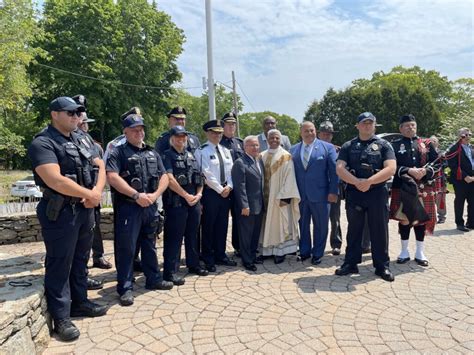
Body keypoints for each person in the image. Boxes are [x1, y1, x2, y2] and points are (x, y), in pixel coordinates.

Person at [28, 96, 108, 341]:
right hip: (61, 211)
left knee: (81, 259)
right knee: (60, 262)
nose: (76, 117)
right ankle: (61, 317)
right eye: (70, 113)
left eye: (78, 114)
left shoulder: (82, 138)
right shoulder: (43, 142)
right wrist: (90, 194)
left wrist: (95, 193)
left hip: (84, 209)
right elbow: (54, 179)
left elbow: (100, 166)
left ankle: (80, 302)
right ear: (55, 114)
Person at [106, 113, 173, 307]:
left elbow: (164, 177)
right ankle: (125, 288)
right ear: (125, 132)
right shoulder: (118, 153)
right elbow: (112, 177)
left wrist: (155, 195)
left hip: (150, 206)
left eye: (141, 129)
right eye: (134, 130)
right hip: (129, 207)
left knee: (150, 244)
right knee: (126, 248)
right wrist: (136, 195)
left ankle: (153, 279)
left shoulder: (152, 152)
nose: (139, 132)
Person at [335, 112, 396, 282]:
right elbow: (340, 168)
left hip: (377, 192)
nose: (367, 126)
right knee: (354, 229)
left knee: (379, 230)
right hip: (355, 193)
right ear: (358, 126)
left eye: (370, 123)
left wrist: (369, 182)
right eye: (364, 123)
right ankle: (350, 263)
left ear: (375, 125)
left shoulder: (384, 145)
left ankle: (382, 266)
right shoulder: (348, 146)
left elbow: (391, 168)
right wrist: (356, 182)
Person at [389, 114, 438, 267]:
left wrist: (426, 171)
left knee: (420, 220)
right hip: (403, 187)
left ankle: (420, 252)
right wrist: (408, 170)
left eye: (413, 125)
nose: (411, 128)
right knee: (404, 219)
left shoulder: (427, 144)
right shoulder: (394, 145)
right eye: (407, 125)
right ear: (400, 128)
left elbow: (437, 164)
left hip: (423, 187)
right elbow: (390, 166)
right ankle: (404, 251)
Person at [162, 126, 209, 284]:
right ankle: (171, 271)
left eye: (184, 136)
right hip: (176, 202)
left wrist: (199, 194)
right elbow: (169, 179)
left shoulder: (191, 155)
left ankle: (193, 264)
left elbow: (199, 177)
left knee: (193, 235)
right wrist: (186, 195)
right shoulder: (167, 155)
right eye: (178, 137)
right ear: (172, 138)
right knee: (174, 238)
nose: (181, 139)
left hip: (193, 201)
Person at [73, 95, 112, 271]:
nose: (84, 124)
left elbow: (101, 170)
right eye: (82, 122)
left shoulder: (95, 146)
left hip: (94, 194)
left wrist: (97, 191)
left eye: (85, 122)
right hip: (79, 197)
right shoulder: (69, 142)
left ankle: (99, 256)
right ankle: (83, 269)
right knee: (80, 235)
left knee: (94, 228)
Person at [291, 122, 338, 265]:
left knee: (321, 225)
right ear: (301, 132)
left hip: (321, 195)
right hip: (300, 195)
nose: (309, 133)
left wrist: (333, 191)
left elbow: (334, 172)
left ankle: (318, 253)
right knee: (303, 224)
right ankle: (305, 251)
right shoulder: (293, 150)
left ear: (315, 131)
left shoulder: (327, 148)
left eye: (311, 130)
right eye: (306, 131)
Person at [194, 120, 237, 272]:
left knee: (222, 224)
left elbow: (232, 171)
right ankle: (208, 257)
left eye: (219, 132)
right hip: (211, 193)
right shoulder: (201, 151)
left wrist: (230, 186)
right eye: (214, 132)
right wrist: (220, 189)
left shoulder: (226, 151)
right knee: (208, 226)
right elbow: (205, 173)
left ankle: (220, 254)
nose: (217, 135)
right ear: (207, 133)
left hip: (226, 192)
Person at [260, 129, 300, 264]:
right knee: (265, 224)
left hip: (279, 198)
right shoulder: (261, 155)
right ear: (267, 138)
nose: (274, 140)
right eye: (271, 138)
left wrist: (285, 197)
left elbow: (290, 177)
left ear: (281, 139)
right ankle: (266, 250)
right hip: (264, 199)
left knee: (279, 224)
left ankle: (279, 251)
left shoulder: (286, 156)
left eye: (277, 138)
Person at [231, 135, 265, 271]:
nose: (255, 147)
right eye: (252, 145)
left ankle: (252, 255)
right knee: (246, 235)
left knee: (255, 234)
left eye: (257, 145)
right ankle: (247, 260)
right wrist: (244, 205)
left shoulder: (259, 161)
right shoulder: (240, 163)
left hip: (259, 205)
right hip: (247, 207)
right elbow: (240, 187)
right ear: (245, 147)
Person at [220, 112, 245, 257]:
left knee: (238, 218)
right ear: (223, 125)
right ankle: (220, 251)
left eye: (233, 124)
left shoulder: (239, 143)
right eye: (229, 124)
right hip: (223, 188)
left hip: (238, 188)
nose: (231, 126)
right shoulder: (219, 142)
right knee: (222, 221)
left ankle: (238, 247)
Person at [317, 120, 343, 256]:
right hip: (317, 188)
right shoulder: (312, 148)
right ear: (319, 134)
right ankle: (317, 244)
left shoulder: (338, 150)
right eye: (324, 133)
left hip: (333, 187)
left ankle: (336, 244)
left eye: (329, 134)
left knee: (335, 217)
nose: (327, 136)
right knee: (318, 219)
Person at [446, 127, 474, 231]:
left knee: (472, 201)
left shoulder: (472, 148)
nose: (467, 137)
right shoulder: (454, 148)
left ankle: (471, 223)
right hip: (460, 180)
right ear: (459, 136)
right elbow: (452, 165)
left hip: (472, 179)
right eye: (464, 135)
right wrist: (465, 176)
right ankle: (460, 223)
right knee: (460, 201)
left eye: (469, 135)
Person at [430, 135, 448, 224]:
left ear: (438, 143)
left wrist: (442, 159)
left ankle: (442, 216)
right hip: (429, 180)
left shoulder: (442, 153)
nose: (432, 142)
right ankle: (430, 217)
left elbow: (446, 164)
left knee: (440, 199)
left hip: (440, 179)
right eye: (431, 141)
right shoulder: (426, 153)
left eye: (434, 141)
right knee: (429, 198)